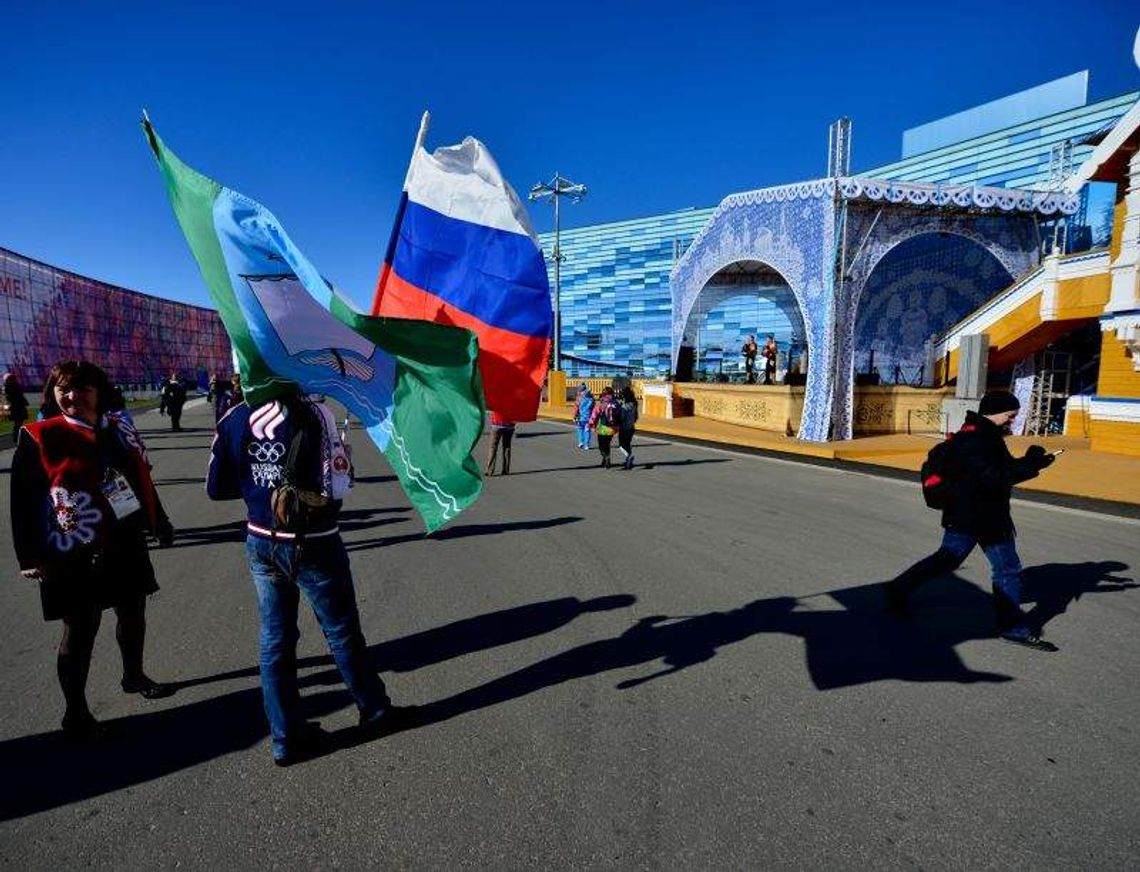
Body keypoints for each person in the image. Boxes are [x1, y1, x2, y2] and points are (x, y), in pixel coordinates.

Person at [207, 388, 398, 765]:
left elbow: (217, 488)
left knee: (275, 640)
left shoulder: (234, 416)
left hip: (261, 539)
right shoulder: (316, 414)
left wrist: (258, 487)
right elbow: (338, 486)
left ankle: (286, 736)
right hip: (314, 541)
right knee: (341, 631)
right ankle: (375, 710)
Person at [10, 361, 174, 741]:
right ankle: (76, 712)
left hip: (125, 539)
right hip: (71, 548)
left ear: (99, 393)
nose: (72, 396)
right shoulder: (38, 436)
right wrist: (29, 557)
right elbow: (23, 501)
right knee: (80, 628)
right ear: (53, 394)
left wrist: (159, 519)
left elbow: (139, 478)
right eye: (63, 389)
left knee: (133, 610)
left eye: (81, 389)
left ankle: (133, 675)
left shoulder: (117, 432)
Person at [886, 391, 1059, 652]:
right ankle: (1012, 627)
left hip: (968, 514)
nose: (1011, 421)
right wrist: (1032, 465)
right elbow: (995, 477)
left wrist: (1034, 462)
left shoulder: (983, 434)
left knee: (947, 558)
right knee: (1007, 569)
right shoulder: (979, 438)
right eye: (1010, 415)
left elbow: (1002, 469)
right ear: (996, 411)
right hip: (983, 517)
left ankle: (898, 589)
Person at [588, 386, 621, 469]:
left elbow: (594, 415)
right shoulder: (616, 402)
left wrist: (592, 425)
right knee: (607, 443)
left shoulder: (602, 402)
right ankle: (606, 458)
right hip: (613, 428)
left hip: (603, 427)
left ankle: (606, 457)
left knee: (601, 445)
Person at [485, 411, 516, 476]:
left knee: (493, 447)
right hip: (510, 424)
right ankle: (506, 470)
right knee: (507, 447)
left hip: (497, 422)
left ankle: (490, 470)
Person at [616, 385, 639, 470]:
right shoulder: (635, 404)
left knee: (621, 445)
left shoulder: (624, 406)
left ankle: (629, 456)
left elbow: (622, 417)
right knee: (627, 444)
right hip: (631, 427)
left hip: (624, 427)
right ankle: (628, 461)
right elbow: (636, 417)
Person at [3, 372, 29, 445]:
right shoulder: (9, 387)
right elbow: (8, 399)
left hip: (17, 407)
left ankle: (17, 437)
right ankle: (17, 437)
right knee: (18, 423)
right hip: (16, 408)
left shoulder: (12, 386)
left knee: (19, 423)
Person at [572, 384, 595, 450]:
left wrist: (574, 416)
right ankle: (587, 445)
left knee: (580, 429)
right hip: (588, 417)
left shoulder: (579, 398)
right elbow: (594, 408)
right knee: (587, 431)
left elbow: (576, 408)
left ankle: (581, 442)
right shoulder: (591, 398)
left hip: (580, 417)